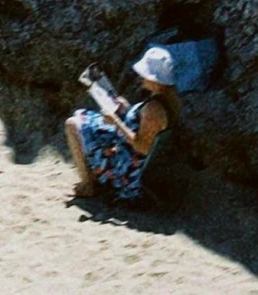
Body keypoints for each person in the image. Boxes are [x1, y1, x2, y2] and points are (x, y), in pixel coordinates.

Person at [65, 46, 180, 202]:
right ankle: (90, 179)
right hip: (127, 151)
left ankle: (88, 185)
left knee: (73, 124)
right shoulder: (167, 101)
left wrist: (117, 122)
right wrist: (126, 109)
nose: (141, 77)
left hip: (125, 165)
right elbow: (143, 127)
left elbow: (142, 147)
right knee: (83, 117)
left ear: (155, 80)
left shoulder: (154, 109)